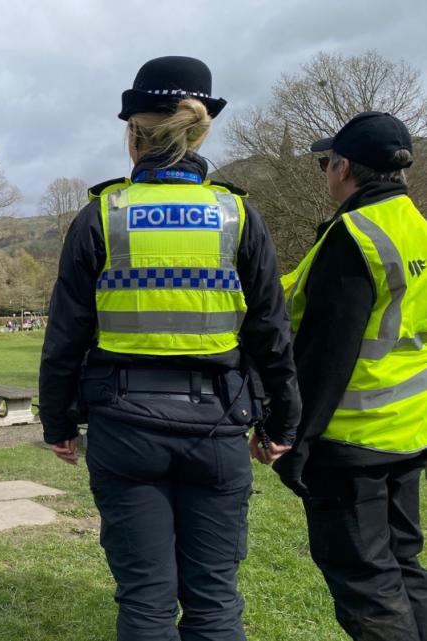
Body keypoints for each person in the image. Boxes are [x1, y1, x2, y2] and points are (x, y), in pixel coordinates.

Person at [39, 55, 301, 641]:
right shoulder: (238, 216)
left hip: (124, 427)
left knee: (145, 603)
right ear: (202, 129)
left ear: (134, 134)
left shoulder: (101, 217)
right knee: (213, 602)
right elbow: (270, 333)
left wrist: (58, 422)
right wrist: (282, 422)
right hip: (218, 425)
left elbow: (65, 337)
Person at [272, 112, 427, 641]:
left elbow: (326, 353)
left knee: (366, 582)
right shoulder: (417, 230)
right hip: (406, 433)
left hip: (351, 439)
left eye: (325, 163)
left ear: (343, 168)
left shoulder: (355, 234)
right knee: (403, 564)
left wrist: (293, 438)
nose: (324, 173)